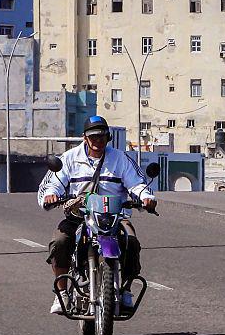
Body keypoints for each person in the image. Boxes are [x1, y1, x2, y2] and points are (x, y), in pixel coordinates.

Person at [38, 115, 157, 315]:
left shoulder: (120, 159)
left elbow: (137, 183)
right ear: (85, 138)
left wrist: (146, 197)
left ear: (108, 138)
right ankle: (62, 294)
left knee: (132, 241)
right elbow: (52, 184)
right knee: (59, 241)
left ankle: (126, 289)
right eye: (93, 137)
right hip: (79, 216)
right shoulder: (69, 158)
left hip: (114, 217)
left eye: (102, 137)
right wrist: (51, 195)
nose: (98, 141)